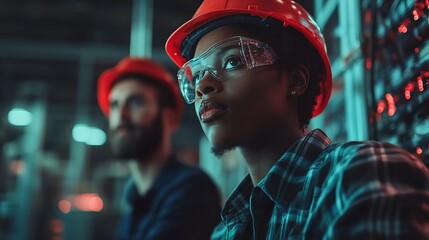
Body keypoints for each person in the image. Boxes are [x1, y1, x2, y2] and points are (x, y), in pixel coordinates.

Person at [165, 0, 429, 239]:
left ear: (296, 81)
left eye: (233, 61)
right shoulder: (225, 232)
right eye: (196, 75)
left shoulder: (363, 175)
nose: (203, 87)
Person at [97, 57, 221, 240]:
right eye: (114, 105)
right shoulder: (134, 194)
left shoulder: (192, 190)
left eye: (135, 102)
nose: (121, 115)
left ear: (169, 118)